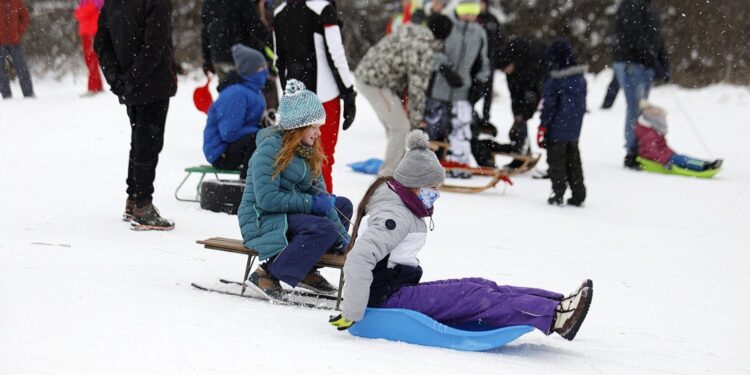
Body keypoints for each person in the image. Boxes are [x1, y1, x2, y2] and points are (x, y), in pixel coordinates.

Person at [328, 130, 593, 341]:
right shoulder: (394, 216)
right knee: (475, 297)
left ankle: (558, 304)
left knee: (481, 285)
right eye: (433, 187)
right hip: (385, 298)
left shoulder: (403, 203)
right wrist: (352, 311)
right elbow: (359, 257)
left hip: (397, 289)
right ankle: (555, 317)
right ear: (415, 186)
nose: (437, 193)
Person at [238, 79, 353, 299]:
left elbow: (320, 195)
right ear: (298, 127)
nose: (319, 133)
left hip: (287, 214)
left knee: (341, 206)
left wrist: (342, 237)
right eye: (314, 127)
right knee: (323, 228)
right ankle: (267, 273)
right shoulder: (269, 150)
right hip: (261, 217)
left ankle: (305, 269)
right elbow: (267, 200)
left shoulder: (309, 151)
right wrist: (311, 204)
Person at [94, 0, 178, 231]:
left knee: (140, 140)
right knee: (148, 142)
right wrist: (125, 80)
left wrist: (119, 78)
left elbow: (102, 42)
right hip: (151, 82)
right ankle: (142, 203)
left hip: (133, 82)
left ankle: (134, 199)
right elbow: (155, 44)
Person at [272, 0, 357, 193]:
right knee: (322, 159)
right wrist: (349, 94)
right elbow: (336, 54)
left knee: (295, 159)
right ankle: (324, 212)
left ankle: (300, 209)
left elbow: (280, 61)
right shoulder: (323, 9)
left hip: (295, 98)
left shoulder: (279, 12)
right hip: (324, 98)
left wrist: (288, 98)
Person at [356, 14, 453, 177]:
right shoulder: (423, 46)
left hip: (370, 77)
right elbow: (417, 88)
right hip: (374, 83)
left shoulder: (412, 31)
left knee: (396, 127)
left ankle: (398, 167)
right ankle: (388, 175)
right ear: (442, 36)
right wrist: (415, 121)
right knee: (401, 127)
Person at [424, 0, 490, 175]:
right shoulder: (447, 25)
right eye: (466, 11)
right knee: (434, 128)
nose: (470, 15)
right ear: (458, 10)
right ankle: (429, 167)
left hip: (463, 90)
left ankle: (459, 166)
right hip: (439, 88)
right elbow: (432, 50)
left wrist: (480, 82)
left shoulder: (480, 33)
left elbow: (483, 61)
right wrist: (444, 69)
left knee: (461, 130)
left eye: (473, 11)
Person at [612, 0, 667, 169]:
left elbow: (657, 37)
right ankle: (632, 151)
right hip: (631, 63)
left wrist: (664, 63)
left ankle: (641, 146)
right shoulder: (631, 4)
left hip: (645, 64)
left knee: (642, 106)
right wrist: (652, 60)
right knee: (635, 106)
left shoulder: (650, 7)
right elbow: (634, 35)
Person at [203, 45, 268, 180]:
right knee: (259, 139)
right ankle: (248, 186)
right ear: (251, 70)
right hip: (221, 153)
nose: (265, 71)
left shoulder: (254, 91)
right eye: (261, 68)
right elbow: (229, 133)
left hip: (236, 147)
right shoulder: (236, 94)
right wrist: (259, 131)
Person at [536, 39, 587, 206]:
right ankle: (579, 193)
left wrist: (543, 125)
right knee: (574, 161)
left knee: (556, 162)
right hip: (574, 129)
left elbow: (549, 107)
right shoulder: (580, 80)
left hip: (557, 129)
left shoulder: (554, 82)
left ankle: (558, 193)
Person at [201, 0, 278, 109]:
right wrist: (273, 42)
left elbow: (205, 32)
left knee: (229, 98)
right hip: (243, 57)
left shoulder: (208, 3)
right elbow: (254, 25)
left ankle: (231, 120)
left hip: (219, 57)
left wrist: (207, 59)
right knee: (250, 98)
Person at [495, 38, 548, 159]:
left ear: (512, 63)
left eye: (505, 69)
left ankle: (522, 149)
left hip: (543, 78)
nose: (505, 72)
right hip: (527, 80)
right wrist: (517, 115)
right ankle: (521, 149)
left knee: (527, 107)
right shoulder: (511, 71)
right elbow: (514, 95)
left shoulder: (532, 65)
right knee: (519, 111)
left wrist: (522, 117)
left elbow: (534, 94)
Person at [635, 101, 722, 172]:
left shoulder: (655, 131)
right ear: (655, 121)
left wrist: (672, 154)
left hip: (664, 155)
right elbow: (651, 151)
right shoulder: (649, 134)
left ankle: (705, 163)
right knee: (681, 160)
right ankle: (704, 167)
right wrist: (665, 160)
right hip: (655, 157)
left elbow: (663, 147)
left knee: (683, 158)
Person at [474, 0, 504, 127]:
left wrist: (495, 54)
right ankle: (470, 112)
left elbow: (501, 38)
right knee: (475, 88)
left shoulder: (492, 20)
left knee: (488, 89)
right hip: (475, 60)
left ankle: (486, 117)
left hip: (490, 59)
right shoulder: (474, 18)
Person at [0, 0, 34, 99]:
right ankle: (6, 95)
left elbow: (25, 16)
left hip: (15, 42)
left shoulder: (16, 1)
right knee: (0, 71)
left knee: (22, 68)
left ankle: (28, 94)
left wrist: (19, 31)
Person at [74, 0, 104, 96]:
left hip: (91, 31)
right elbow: (79, 13)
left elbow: (82, 13)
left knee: (91, 59)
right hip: (87, 31)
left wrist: (80, 11)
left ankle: (94, 87)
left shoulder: (95, 1)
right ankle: (97, 86)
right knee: (90, 59)